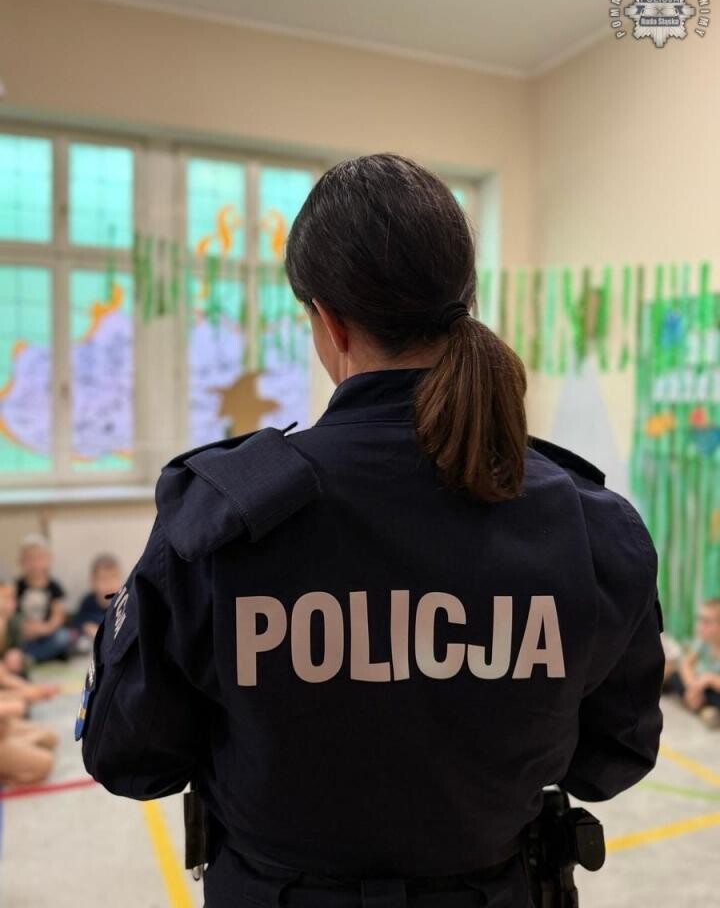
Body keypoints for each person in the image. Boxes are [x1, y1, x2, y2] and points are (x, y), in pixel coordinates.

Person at [80, 154, 664, 908]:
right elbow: (612, 760)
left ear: (329, 321)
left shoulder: (221, 519)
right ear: (463, 302)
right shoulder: (589, 524)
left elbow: (130, 756)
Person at [666, 598, 720, 729]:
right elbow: (686, 664)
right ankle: (705, 709)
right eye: (699, 620)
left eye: (706, 621)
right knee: (675, 677)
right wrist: (692, 687)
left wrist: (710, 679)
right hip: (702, 686)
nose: (700, 626)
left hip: (714, 687)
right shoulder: (704, 641)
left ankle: (703, 707)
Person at [15, 535, 71, 664]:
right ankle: (35, 656)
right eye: (29, 559)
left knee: (63, 636)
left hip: (48, 633)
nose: (34, 564)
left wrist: (44, 629)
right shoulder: (17, 586)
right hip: (25, 634)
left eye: (38, 558)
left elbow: (58, 617)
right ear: (21, 562)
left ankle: (32, 657)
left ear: (48, 559)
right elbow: (11, 614)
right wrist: (24, 628)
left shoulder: (54, 587)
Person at [71, 554, 122, 655]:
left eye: (113, 578)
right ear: (93, 582)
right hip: (91, 643)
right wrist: (86, 627)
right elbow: (77, 621)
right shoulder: (88, 602)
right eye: (103, 579)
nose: (109, 584)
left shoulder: (122, 601)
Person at [0, 573, 25, 675]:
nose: (11, 603)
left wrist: (16, 655)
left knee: (15, 658)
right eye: (5, 598)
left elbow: (17, 646)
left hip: (5, 666)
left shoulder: (15, 621)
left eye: (13, 598)